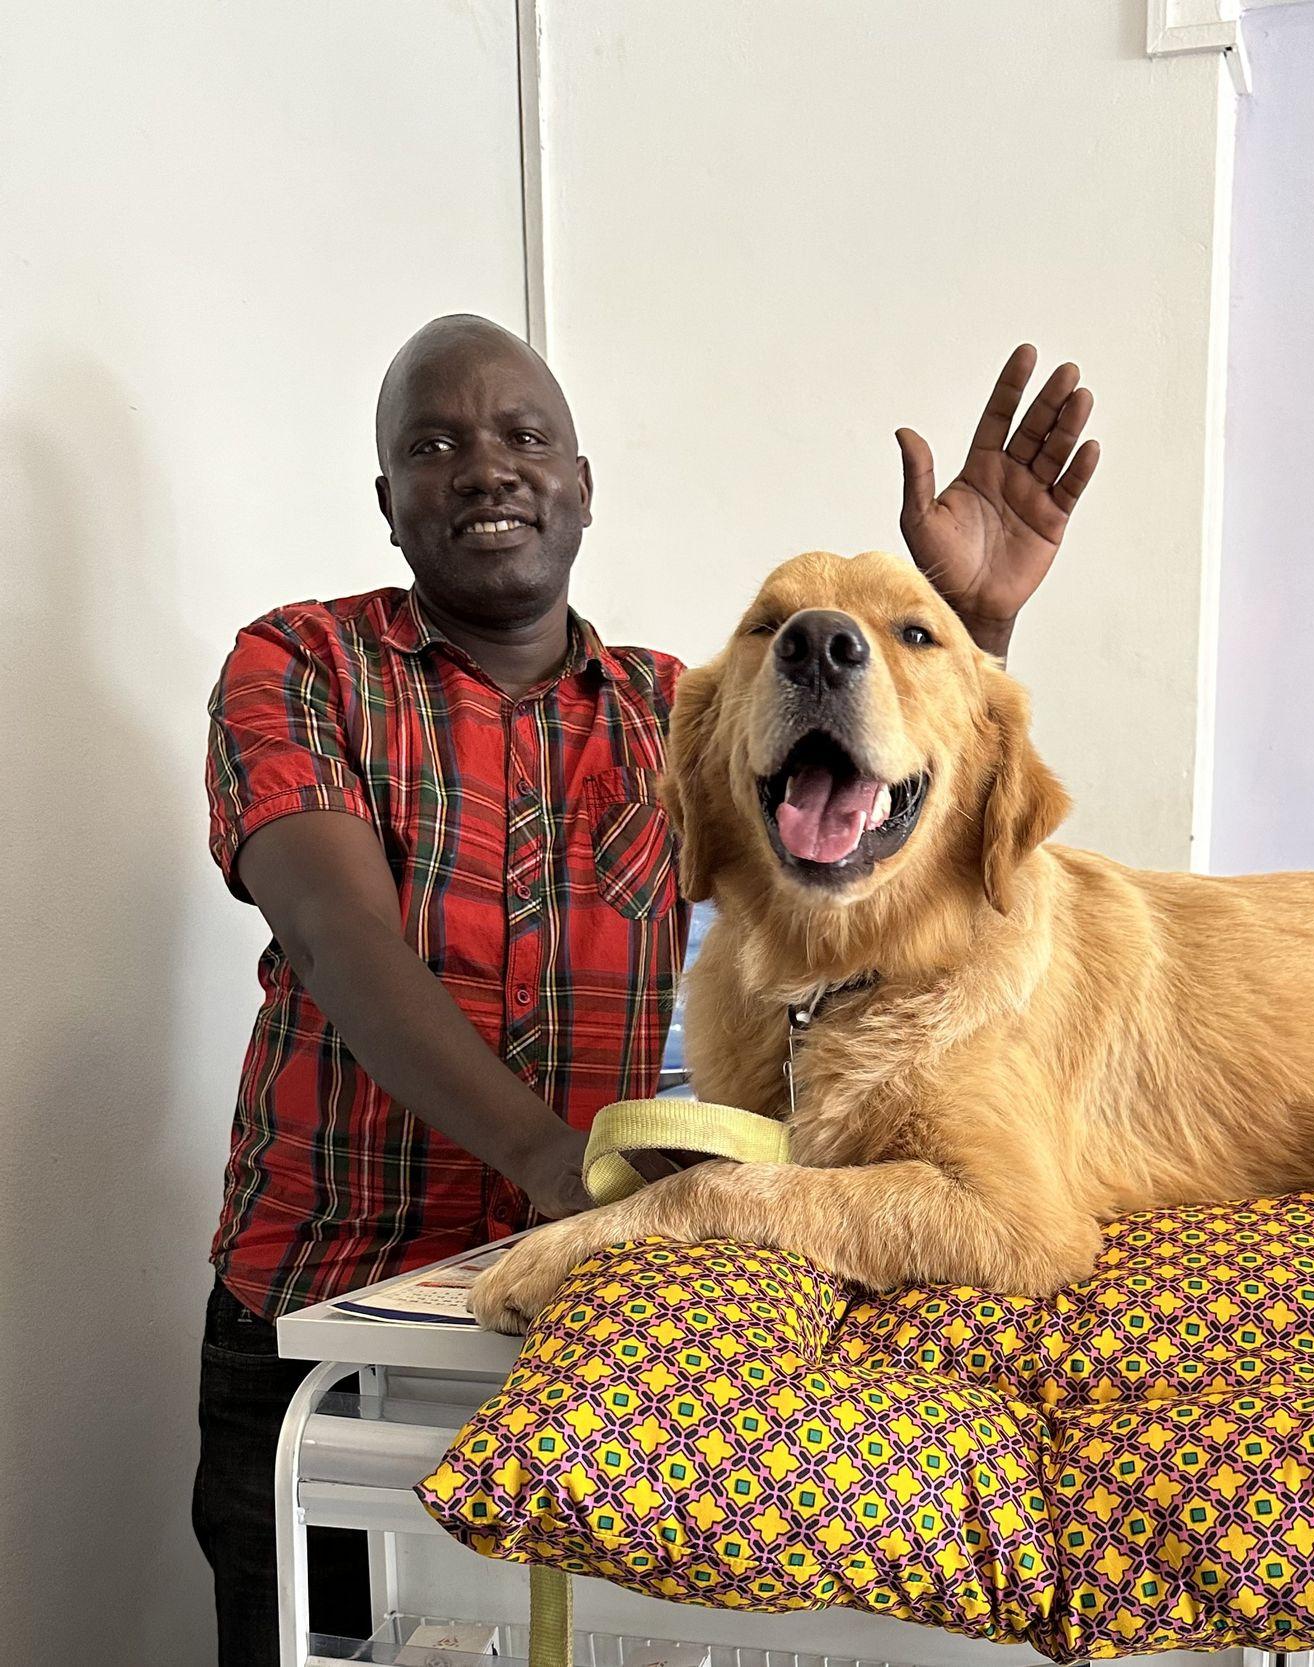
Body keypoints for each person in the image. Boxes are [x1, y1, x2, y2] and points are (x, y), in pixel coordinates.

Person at [191, 313, 1100, 1664]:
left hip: (593, 1326)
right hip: (327, 1312)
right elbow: (338, 945)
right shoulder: (302, 666)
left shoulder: (680, 705)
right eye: (435, 446)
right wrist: (552, 1161)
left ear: (582, 487)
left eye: (526, 438)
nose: (489, 468)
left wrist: (969, 630)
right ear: (389, 503)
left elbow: (888, 861)